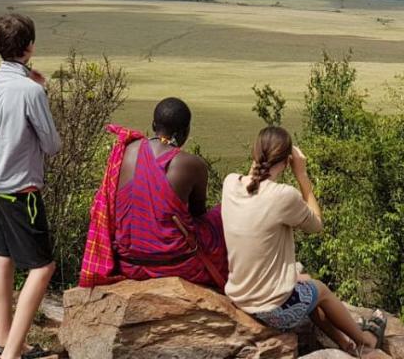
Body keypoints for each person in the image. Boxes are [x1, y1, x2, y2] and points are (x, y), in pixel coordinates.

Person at [222, 127, 385, 356]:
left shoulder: (230, 183)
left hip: (239, 296)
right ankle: (365, 340)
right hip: (269, 309)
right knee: (320, 290)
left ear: (254, 152)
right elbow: (317, 224)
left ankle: (345, 342)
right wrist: (302, 176)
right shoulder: (282, 196)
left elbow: (254, 183)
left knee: (304, 281)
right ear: (288, 161)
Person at [0, 13, 62, 359]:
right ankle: (12, 353)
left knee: (4, 258)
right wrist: (39, 88)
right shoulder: (31, 92)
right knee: (42, 267)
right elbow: (52, 144)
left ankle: (4, 343)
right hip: (20, 190)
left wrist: (30, 77)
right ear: (29, 46)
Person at [110, 98, 227, 287]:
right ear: (185, 132)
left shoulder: (124, 151)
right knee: (224, 214)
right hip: (177, 265)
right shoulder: (192, 164)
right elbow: (198, 215)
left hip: (128, 263)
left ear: (153, 125)